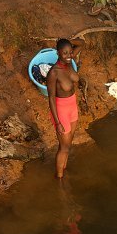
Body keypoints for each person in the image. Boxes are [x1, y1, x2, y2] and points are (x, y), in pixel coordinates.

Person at [47, 38, 85, 180]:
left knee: (67, 145)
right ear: (58, 53)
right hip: (61, 110)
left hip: (72, 107)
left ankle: (64, 168)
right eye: (65, 53)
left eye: (70, 52)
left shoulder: (69, 62)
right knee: (64, 147)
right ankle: (59, 178)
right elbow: (50, 98)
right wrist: (57, 123)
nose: (69, 56)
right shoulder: (54, 73)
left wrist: (68, 40)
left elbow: (82, 43)